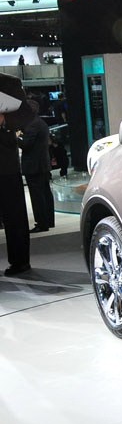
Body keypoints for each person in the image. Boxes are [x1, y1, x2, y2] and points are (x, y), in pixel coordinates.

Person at [0, 72, 35, 276]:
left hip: (4, 163)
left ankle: (20, 262)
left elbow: (26, 115)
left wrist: (4, 119)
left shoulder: (8, 82)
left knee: (14, 215)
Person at [19, 98, 56, 234]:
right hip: (42, 164)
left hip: (34, 166)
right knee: (45, 194)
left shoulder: (32, 125)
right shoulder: (40, 122)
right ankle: (48, 221)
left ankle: (42, 223)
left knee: (37, 196)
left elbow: (25, 145)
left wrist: (15, 137)